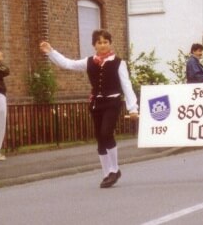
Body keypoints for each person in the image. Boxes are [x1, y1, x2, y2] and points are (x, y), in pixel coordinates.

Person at [40, 29, 139, 188]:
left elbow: (126, 85)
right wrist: (51, 52)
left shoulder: (119, 63)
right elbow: (68, 64)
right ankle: (106, 174)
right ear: (94, 45)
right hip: (96, 104)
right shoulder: (89, 62)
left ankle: (115, 170)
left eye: (105, 42)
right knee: (100, 138)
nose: (103, 45)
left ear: (110, 43)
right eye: (99, 42)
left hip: (112, 102)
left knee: (106, 133)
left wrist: (132, 108)